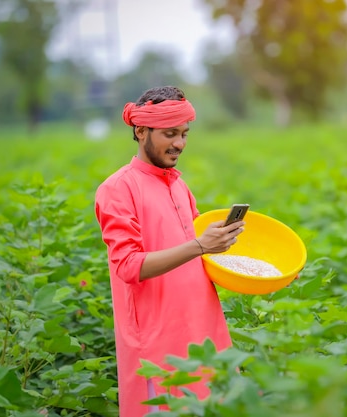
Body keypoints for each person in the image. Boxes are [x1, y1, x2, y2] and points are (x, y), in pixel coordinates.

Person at [94, 86, 243, 416]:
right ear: (141, 130)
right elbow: (129, 266)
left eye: (185, 133)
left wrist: (273, 272)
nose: (179, 143)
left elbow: (198, 256)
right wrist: (200, 244)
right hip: (157, 343)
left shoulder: (177, 183)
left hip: (204, 333)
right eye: (170, 134)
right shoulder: (118, 189)